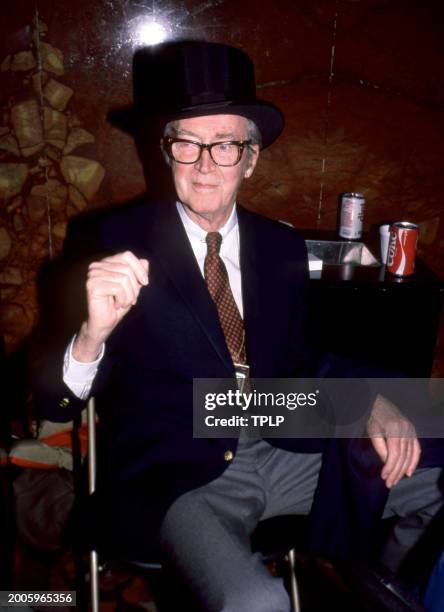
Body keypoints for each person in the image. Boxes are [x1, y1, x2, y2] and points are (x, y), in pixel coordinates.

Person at [33, 42, 443, 611]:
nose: (205, 165)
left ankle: (388, 592)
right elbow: (52, 406)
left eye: (225, 145)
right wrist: (91, 336)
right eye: (189, 144)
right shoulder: (108, 242)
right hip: (182, 468)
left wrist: (370, 398)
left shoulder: (279, 246)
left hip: (282, 431)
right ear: (165, 151)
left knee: (435, 453)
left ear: (250, 158)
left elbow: (306, 356)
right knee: (254, 602)